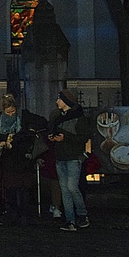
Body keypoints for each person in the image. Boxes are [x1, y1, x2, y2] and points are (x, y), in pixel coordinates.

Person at [0, 94, 48, 227]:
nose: (11, 114)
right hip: (10, 158)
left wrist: (23, 134)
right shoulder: (1, 118)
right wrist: (6, 138)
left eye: (13, 111)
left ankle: (24, 215)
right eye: (8, 112)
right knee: (11, 188)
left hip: (23, 157)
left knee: (24, 188)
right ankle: (13, 214)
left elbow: (40, 123)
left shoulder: (24, 116)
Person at [49, 88, 92, 232]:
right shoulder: (59, 117)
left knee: (71, 188)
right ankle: (70, 220)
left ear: (66, 101)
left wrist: (65, 138)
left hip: (73, 157)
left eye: (59, 99)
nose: (57, 102)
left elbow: (83, 137)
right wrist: (53, 137)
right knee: (66, 189)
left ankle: (81, 215)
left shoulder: (78, 118)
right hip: (61, 156)